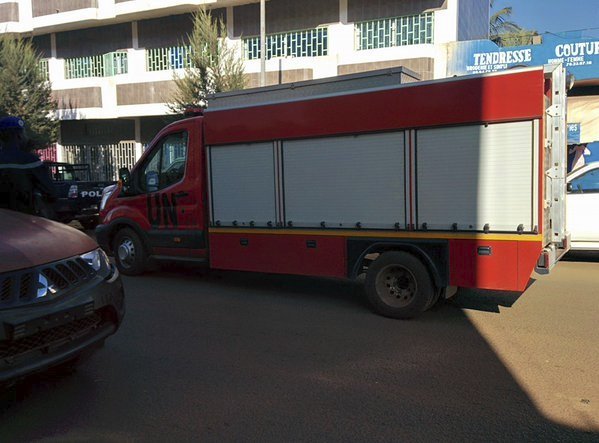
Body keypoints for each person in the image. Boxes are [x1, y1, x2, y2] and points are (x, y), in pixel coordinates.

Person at [0, 116, 56, 217]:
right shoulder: (30, 161)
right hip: (25, 220)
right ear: (19, 136)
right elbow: (51, 193)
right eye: (24, 133)